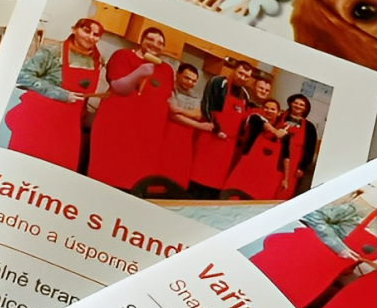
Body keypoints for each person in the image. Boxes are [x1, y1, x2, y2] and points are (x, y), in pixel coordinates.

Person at [248, 197, 377, 308]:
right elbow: (313, 216)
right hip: (303, 255)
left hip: (323, 274)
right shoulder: (361, 210)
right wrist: (338, 246)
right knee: (253, 286)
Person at [4, 17, 103, 170]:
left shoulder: (96, 59)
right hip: (38, 121)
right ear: (74, 29)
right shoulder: (52, 52)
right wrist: (61, 94)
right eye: (86, 31)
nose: (90, 37)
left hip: (68, 126)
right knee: (24, 168)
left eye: (96, 35)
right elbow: (23, 76)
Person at [86, 26, 175, 191]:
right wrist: (139, 72)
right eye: (150, 39)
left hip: (145, 136)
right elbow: (118, 87)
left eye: (160, 43)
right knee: (104, 176)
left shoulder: (167, 70)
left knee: (133, 184)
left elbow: (165, 99)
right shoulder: (123, 56)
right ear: (141, 40)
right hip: (116, 128)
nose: (155, 44)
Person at [191, 61, 267, 196]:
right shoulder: (218, 82)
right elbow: (207, 105)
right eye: (240, 73)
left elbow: (243, 121)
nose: (242, 78)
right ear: (233, 70)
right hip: (210, 138)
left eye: (246, 76)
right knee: (198, 177)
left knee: (215, 182)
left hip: (228, 146)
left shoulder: (245, 94)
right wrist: (217, 129)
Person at [158, 63, 212, 191]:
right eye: (187, 78)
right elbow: (172, 114)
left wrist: (179, 110)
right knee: (160, 170)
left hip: (185, 141)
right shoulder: (170, 89)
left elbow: (198, 114)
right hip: (166, 135)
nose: (190, 83)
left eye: (194, 81)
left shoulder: (195, 96)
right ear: (178, 74)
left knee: (178, 175)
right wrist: (199, 125)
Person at [223, 98, 289, 199]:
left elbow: (286, 156)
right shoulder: (255, 120)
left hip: (266, 176)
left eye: (272, 109)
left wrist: (286, 178)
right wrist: (276, 132)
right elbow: (262, 122)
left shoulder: (284, 133)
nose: (269, 110)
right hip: (246, 169)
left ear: (278, 113)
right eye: (266, 108)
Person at [272, 93, 318, 200]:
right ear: (290, 103)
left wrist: (302, 167)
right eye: (296, 103)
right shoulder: (279, 118)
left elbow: (310, 149)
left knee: (285, 189)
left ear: (305, 109)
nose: (298, 106)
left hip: (294, 163)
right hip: (274, 156)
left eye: (301, 105)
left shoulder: (309, 127)